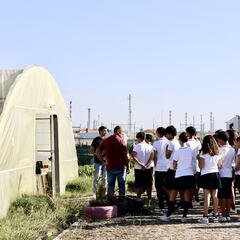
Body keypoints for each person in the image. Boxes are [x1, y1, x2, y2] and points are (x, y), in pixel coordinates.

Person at [161, 132, 196, 222]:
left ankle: (168, 214)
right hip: (189, 174)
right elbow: (193, 163)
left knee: (173, 194)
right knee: (186, 195)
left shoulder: (177, 151)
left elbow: (174, 164)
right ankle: (184, 216)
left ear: (179, 140)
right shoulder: (191, 150)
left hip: (179, 174)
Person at [96, 126, 130, 196]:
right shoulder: (121, 141)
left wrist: (103, 161)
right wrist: (128, 166)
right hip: (121, 167)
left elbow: (97, 151)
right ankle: (121, 202)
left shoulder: (106, 140)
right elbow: (126, 156)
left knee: (110, 186)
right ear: (117, 131)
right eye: (121, 132)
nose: (122, 134)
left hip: (110, 167)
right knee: (121, 186)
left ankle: (111, 202)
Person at [197, 135, 222, 223]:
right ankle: (215, 216)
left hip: (205, 174)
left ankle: (205, 216)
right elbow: (219, 166)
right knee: (215, 196)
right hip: (215, 173)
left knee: (207, 196)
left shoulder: (203, 153)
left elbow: (201, 166)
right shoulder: (218, 152)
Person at [217, 131, 235, 222]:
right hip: (229, 173)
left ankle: (223, 213)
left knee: (222, 195)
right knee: (228, 195)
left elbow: (219, 164)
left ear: (221, 139)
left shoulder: (220, 150)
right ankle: (227, 213)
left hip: (222, 173)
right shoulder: (232, 149)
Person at [132, 132, 154, 204]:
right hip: (148, 168)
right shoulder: (150, 147)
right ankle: (149, 200)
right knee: (148, 184)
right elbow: (151, 158)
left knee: (139, 184)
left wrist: (141, 165)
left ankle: (138, 199)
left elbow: (134, 157)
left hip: (138, 168)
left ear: (138, 138)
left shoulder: (136, 146)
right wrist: (146, 165)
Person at [153, 127, 169, 213]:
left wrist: (155, 165)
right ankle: (168, 201)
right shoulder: (168, 142)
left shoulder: (156, 143)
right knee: (166, 185)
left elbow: (154, 156)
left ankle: (161, 203)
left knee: (158, 186)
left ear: (159, 133)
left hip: (159, 167)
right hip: (167, 166)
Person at [186, 126, 201, 206]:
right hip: (197, 166)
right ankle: (196, 199)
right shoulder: (197, 142)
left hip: (189, 166)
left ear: (188, 133)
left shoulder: (187, 143)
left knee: (190, 186)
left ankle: (189, 201)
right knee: (196, 185)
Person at [89, 126, 108, 195]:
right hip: (97, 162)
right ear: (100, 131)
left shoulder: (106, 140)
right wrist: (96, 154)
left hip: (105, 162)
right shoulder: (96, 140)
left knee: (104, 178)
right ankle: (95, 193)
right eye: (104, 131)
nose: (106, 132)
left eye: (106, 131)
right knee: (96, 177)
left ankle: (104, 193)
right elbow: (91, 151)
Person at [165, 126, 180, 197]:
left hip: (171, 167)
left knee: (167, 186)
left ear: (170, 134)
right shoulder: (177, 142)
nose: (166, 136)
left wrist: (166, 148)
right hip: (177, 167)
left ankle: (172, 199)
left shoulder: (170, 143)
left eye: (167, 134)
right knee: (175, 186)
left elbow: (167, 155)